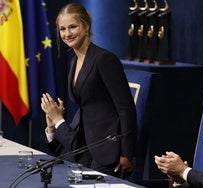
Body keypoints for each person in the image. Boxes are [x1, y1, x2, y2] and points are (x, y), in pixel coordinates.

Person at [40, 3, 137, 178]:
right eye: (62, 29)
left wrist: (127, 153)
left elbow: (126, 108)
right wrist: (55, 124)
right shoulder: (73, 61)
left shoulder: (104, 59)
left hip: (108, 152)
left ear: (86, 26)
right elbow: (88, 106)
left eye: (73, 27)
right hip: (85, 148)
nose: (67, 34)